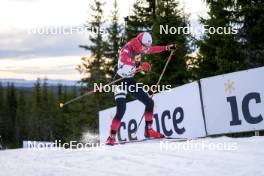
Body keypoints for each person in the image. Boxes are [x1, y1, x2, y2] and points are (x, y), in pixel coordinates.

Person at [106, 32, 176, 145]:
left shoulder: (141, 47)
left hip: (130, 81)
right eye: (144, 47)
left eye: (146, 47)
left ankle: (149, 130)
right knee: (121, 109)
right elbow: (124, 59)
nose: (145, 49)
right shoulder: (127, 48)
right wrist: (139, 65)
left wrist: (167, 48)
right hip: (120, 81)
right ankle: (111, 137)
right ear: (139, 42)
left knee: (149, 102)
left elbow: (152, 50)